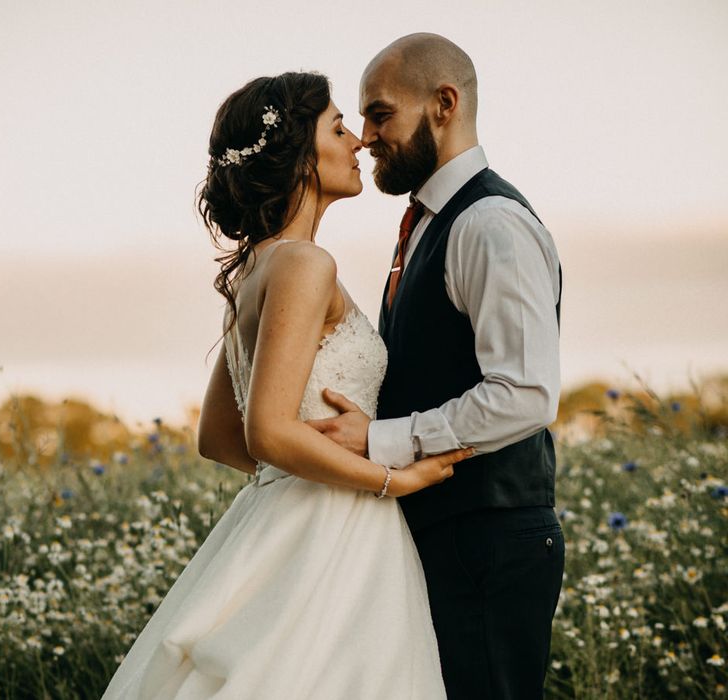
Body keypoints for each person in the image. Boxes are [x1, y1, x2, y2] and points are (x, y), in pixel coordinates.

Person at [101, 71, 473, 700]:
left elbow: (218, 437)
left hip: (278, 524)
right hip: (338, 533)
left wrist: (294, 477)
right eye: (337, 127)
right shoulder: (304, 263)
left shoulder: (254, 271)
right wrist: (389, 478)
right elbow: (265, 431)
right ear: (302, 154)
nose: (357, 141)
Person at [307, 34, 565, 699]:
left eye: (380, 113)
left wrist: (379, 440)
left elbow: (525, 395)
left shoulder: (490, 224)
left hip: (489, 542)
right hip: (444, 537)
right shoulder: (427, 222)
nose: (364, 137)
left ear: (443, 104)